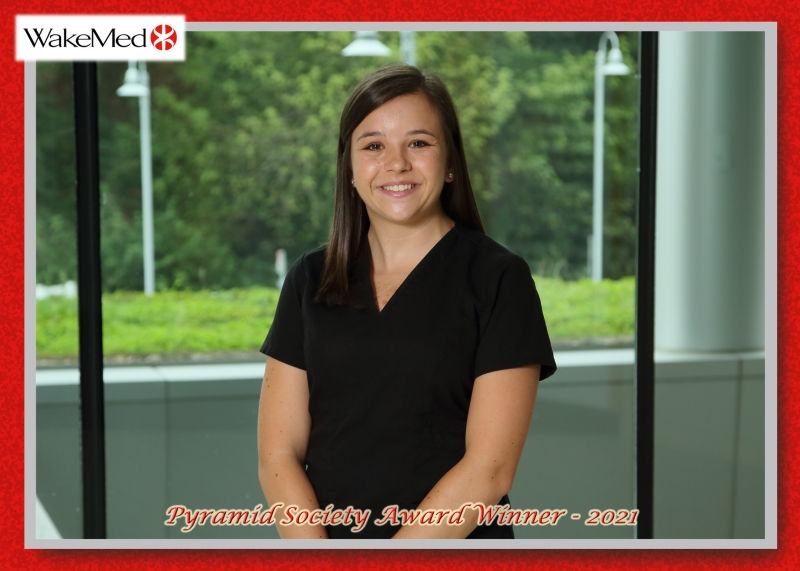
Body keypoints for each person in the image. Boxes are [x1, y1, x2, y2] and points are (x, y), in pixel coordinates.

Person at [257, 64, 557, 540]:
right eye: (373, 146)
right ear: (350, 168)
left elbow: (490, 470)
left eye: (418, 143)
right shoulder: (309, 279)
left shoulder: (499, 279)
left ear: (451, 161)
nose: (396, 163)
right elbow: (278, 455)